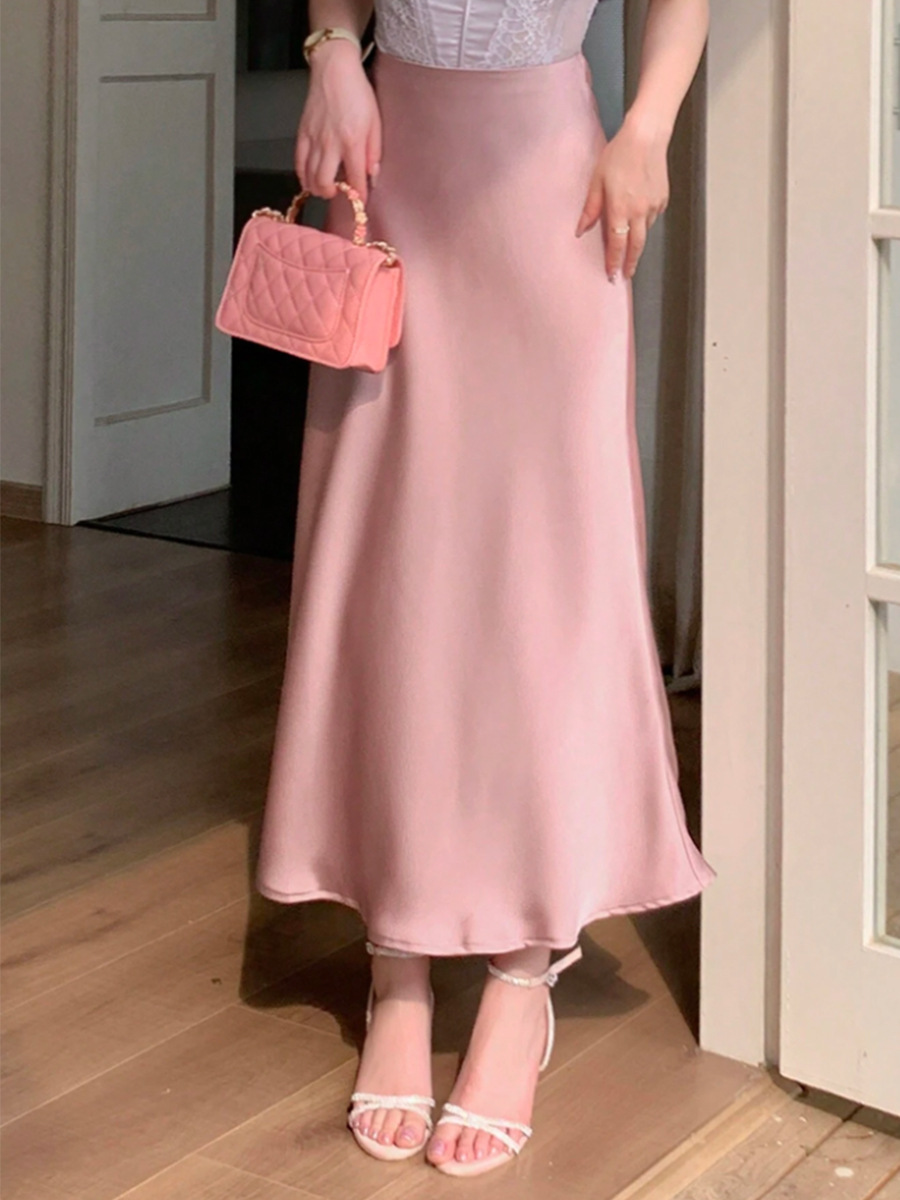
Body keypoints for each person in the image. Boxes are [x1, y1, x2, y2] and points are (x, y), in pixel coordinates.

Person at [254, 0, 715, 1177]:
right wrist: (333, 51)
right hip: (391, 168)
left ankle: (524, 968)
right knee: (388, 564)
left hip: (555, 179)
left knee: (544, 574)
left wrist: (649, 128)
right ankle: (398, 962)